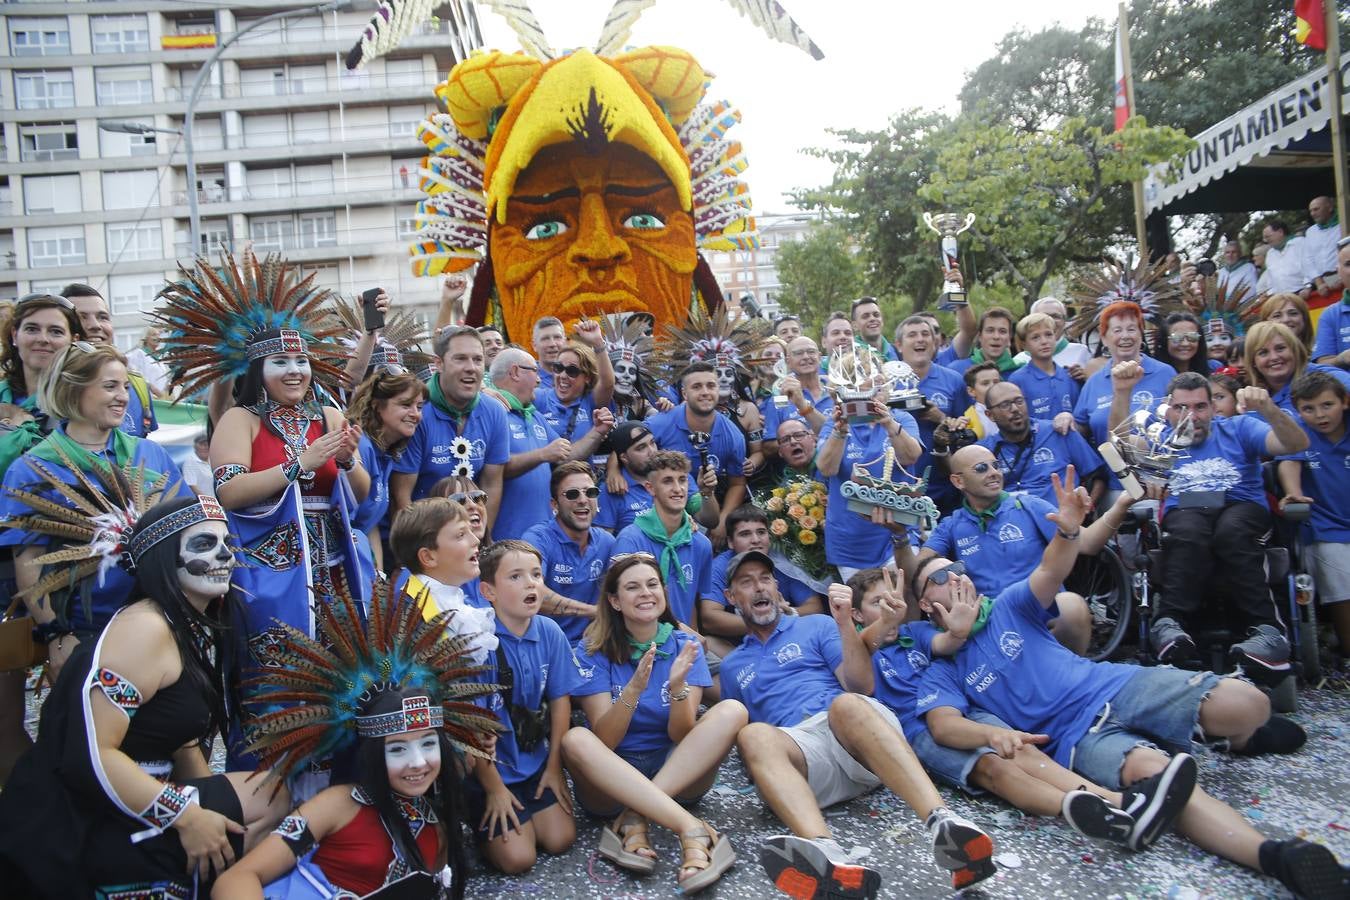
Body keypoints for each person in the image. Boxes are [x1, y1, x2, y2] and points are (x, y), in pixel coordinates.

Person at [911, 468, 1344, 900]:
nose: (958, 575)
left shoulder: (1007, 605)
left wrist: (1066, 534)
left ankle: (1236, 738)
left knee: (1250, 705)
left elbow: (1050, 571)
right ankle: (1276, 857)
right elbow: (943, 725)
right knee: (1160, 780)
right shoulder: (942, 666)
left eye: (959, 567)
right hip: (1076, 738)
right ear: (928, 604)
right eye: (941, 575)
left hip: (1113, 684)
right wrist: (993, 733)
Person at [0, 496, 289, 898]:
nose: (225, 555)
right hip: (83, 815)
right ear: (163, 559)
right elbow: (92, 755)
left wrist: (210, 808)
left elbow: (179, 737)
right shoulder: (144, 629)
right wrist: (187, 817)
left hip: (135, 794)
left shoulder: (182, 624)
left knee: (273, 796)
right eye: (204, 544)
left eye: (228, 543)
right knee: (271, 802)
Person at [721, 551, 997, 895]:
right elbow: (753, 747)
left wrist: (843, 625)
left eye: (764, 578)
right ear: (731, 598)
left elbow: (859, 685)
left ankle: (944, 824)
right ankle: (826, 856)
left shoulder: (816, 625)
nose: (759, 587)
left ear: (778, 587)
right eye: (746, 582)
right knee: (753, 734)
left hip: (856, 740)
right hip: (805, 758)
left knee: (846, 703)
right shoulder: (732, 667)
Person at [849, 567, 1181, 852]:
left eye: (893, 599)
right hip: (919, 730)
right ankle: (1085, 811)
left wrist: (958, 630)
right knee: (995, 770)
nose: (889, 607)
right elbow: (860, 666)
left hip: (964, 708)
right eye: (877, 603)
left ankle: (1118, 802)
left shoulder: (915, 631)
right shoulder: (855, 647)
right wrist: (883, 625)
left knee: (1018, 749)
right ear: (858, 614)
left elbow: (945, 643)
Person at [211, 582, 500, 900]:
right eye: (398, 748)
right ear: (373, 753)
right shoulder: (337, 805)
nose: (418, 761)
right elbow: (237, 879)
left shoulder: (439, 833)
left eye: (428, 744)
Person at [562, 553, 744, 891]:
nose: (645, 593)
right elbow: (606, 740)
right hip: (613, 776)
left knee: (732, 709)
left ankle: (636, 817)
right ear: (614, 601)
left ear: (663, 592)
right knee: (575, 740)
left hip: (676, 771)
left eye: (652, 584)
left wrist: (677, 688)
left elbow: (682, 734)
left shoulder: (686, 645)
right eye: (632, 587)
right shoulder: (592, 650)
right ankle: (693, 830)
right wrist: (633, 690)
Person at [209, 326, 370, 695]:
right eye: (279, 361)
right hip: (269, 575)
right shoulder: (241, 419)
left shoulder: (329, 417)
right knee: (277, 683)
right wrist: (299, 464)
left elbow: (361, 495)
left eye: (301, 360)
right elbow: (229, 491)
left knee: (342, 682)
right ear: (257, 370)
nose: (294, 370)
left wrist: (346, 461)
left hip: (334, 574)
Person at [1147, 373, 1309, 680]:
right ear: (1167, 410)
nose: (1191, 416)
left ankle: (1268, 632)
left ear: (1214, 407)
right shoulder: (1159, 440)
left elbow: (1297, 442)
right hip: (1188, 509)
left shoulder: (1240, 427)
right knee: (1189, 531)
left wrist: (1270, 410)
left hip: (1240, 507)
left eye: (1200, 407)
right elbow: (1120, 454)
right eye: (1181, 408)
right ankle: (1169, 624)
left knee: (1231, 531)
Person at [466, 540, 582, 874]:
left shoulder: (549, 631)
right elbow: (475, 728)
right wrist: (494, 789)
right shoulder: (480, 643)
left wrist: (554, 767)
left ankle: (528, 802)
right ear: (488, 591)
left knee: (560, 839)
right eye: (515, 577)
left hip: (534, 763)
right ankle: (477, 814)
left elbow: (561, 703)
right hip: (492, 771)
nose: (531, 583)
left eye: (535, 574)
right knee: (519, 859)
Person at [487, 346, 613, 540]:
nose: (539, 380)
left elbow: (566, 455)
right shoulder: (490, 411)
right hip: (505, 538)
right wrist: (542, 455)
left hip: (542, 538)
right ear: (514, 372)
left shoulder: (533, 414)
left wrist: (597, 432)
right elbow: (493, 468)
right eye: (534, 371)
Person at [392, 326, 508, 529]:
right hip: (423, 534)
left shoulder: (494, 411)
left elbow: (492, 484)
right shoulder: (416, 412)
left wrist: (479, 541)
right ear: (439, 363)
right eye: (460, 359)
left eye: (477, 359)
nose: (471, 367)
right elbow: (402, 497)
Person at [1278, 370, 1350, 663]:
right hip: (1324, 527)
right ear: (1297, 410)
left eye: (1327, 405)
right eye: (1308, 408)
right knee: (1341, 575)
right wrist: (1293, 492)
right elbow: (1289, 464)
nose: (1319, 415)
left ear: (1344, 402)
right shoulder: (1298, 432)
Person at [816, 386, 923, 581]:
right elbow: (826, 469)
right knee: (864, 603)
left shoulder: (901, 418)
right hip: (850, 540)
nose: (870, 397)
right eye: (860, 391)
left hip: (897, 528)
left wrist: (889, 424)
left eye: (876, 388)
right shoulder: (834, 425)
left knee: (905, 592)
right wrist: (840, 431)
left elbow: (911, 457)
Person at [612, 451, 714, 629]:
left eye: (682, 480)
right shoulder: (630, 540)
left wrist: (693, 644)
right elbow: (621, 609)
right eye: (668, 481)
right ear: (650, 488)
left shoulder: (700, 544)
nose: (677, 488)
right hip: (641, 645)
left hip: (683, 643)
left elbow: (690, 604)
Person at [389, 496, 498, 663]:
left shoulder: (456, 604)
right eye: (461, 535)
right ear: (428, 557)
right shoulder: (406, 613)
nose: (476, 540)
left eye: (471, 531)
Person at [646, 362, 746, 541]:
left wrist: (723, 521)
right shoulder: (660, 423)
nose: (705, 392)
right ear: (684, 393)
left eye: (711, 385)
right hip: (658, 506)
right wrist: (614, 468)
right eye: (697, 387)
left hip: (706, 504)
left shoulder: (733, 435)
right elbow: (628, 446)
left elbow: (738, 483)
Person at [703, 505, 823, 653]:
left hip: (788, 639)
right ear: (730, 542)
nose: (755, 540)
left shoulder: (784, 560)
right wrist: (767, 619)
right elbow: (709, 618)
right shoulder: (718, 567)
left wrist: (789, 613)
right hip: (741, 647)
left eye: (761, 532)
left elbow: (815, 607)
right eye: (745, 534)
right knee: (710, 643)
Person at [521, 461, 617, 642]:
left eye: (590, 492)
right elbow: (531, 591)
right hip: (546, 647)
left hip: (594, 646)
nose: (582, 500)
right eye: (572, 494)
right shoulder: (537, 539)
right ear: (554, 504)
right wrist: (596, 613)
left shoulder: (607, 542)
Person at [347, 367, 427, 576]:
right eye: (405, 405)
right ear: (377, 406)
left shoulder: (385, 453)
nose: (416, 414)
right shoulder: (360, 447)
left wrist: (378, 579)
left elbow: (370, 522)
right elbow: (349, 521)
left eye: (419, 406)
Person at [980, 382, 1104, 505]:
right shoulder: (984, 451)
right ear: (990, 415)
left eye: (1019, 401)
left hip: (1064, 519)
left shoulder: (1059, 431)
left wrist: (1086, 511)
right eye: (1005, 405)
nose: (1015, 409)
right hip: (1013, 521)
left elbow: (1098, 476)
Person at [1078, 300, 1177, 453]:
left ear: (1140, 333)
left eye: (1131, 329)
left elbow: (1179, 422)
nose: (1125, 336)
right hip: (1111, 474)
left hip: (1160, 471)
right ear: (1104, 338)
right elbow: (1080, 429)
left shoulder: (1165, 373)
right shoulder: (1094, 382)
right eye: (1117, 330)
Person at [61, 283, 158, 438]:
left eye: (102, 317)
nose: (95, 325)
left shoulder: (137, 387)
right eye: (81, 317)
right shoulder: (51, 392)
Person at [1244, 321, 1350, 418]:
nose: (1274, 357)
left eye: (1280, 348)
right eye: (1263, 353)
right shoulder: (1255, 397)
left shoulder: (1323, 376)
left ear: (1294, 350)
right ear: (1253, 361)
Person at [534, 324, 614, 451]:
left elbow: (608, 383)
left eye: (572, 371)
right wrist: (491, 393)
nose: (563, 375)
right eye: (558, 368)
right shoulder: (539, 397)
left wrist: (598, 342)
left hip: (583, 470)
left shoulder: (589, 401)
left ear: (587, 377)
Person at [0, 292, 81, 414]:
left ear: (74, 341)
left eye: (56, 331)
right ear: (15, 336)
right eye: (32, 329)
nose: (43, 339)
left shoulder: (88, 402)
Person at [1009, 312, 1081, 423]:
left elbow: (1080, 420)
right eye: (1035, 337)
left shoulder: (1070, 376)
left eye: (1048, 334)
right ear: (1024, 344)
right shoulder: (1017, 380)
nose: (1044, 341)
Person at [597, 420, 660, 532]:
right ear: (624, 458)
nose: (652, 452)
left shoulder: (671, 476)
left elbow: (701, 517)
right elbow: (603, 541)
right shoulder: (611, 491)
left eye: (652, 442)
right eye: (641, 448)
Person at [776, 336, 834, 433]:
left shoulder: (837, 390)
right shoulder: (780, 395)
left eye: (811, 352)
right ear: (787, 362)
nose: (806, 357)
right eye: (798, 353)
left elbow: (847, 433)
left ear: (819, 357)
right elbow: (771, 442)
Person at [946, 307, 1019, 377]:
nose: (996, 337)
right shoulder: (956, 371)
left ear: (1009, 338)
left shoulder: (1019, 375)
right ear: (980, 336)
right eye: (990, 330)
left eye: (1002, 331)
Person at [1312, 239, 1350, 368]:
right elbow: (1322, 364)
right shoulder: (1330, 315)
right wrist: (1342, 358)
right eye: (1348, 264)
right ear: (1338, 271)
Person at [1302, 195, 1340, 295]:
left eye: (1316, 209)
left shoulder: (1344, 224)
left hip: (1343, 277)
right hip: (1322, 283)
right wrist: (1319, 283)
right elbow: (1308, 259)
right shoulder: (1311, 231)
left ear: (1330, 208)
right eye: (1311, 211)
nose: (1313, 214)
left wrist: (1343, 277)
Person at [1260, 220, 1308, 295]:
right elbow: (1271, 283)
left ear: (1280, 232)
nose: (1265, 240)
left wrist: (1308, 287)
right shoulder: (1270, 254)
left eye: (1268, 237)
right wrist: (1268, 294)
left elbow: (1310, 268)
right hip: (1283, 299)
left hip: (1305, 293)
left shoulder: (1299, 243)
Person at [123, 325, 170, 397]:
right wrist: (150, 386)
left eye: (158, 335)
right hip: (148, 398)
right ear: (146, 338)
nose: (158, 337)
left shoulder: (159, 358)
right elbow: (131, 372)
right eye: (154, 335)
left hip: (162, 399)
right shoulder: (139, 353)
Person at [959, 362, 1001, 440]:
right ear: (971, 391)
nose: (992, 386)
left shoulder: (1014, 410)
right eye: (985, 383)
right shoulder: (967, 422)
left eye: (996, 382)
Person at [851, 296, 899, 361]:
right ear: (855, 326)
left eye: (876, 315)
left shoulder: (898, 352)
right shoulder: (850, 356)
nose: (872, 318)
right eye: (865, 316)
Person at [532, 316, 567, 391]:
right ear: (534, 345)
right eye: (545, 339)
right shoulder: (527, 378)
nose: (552, 344)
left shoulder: (577, 374)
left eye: (557, 337)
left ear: (565, 341)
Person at [182, 431, 216, 496]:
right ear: (195, 446)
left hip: (215, 501)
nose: (205, 447)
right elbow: (191, 485)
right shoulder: (190, 461)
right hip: (201, 503)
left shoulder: (213, 460)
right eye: (202, 444)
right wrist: (208, 501)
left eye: (207, 444)